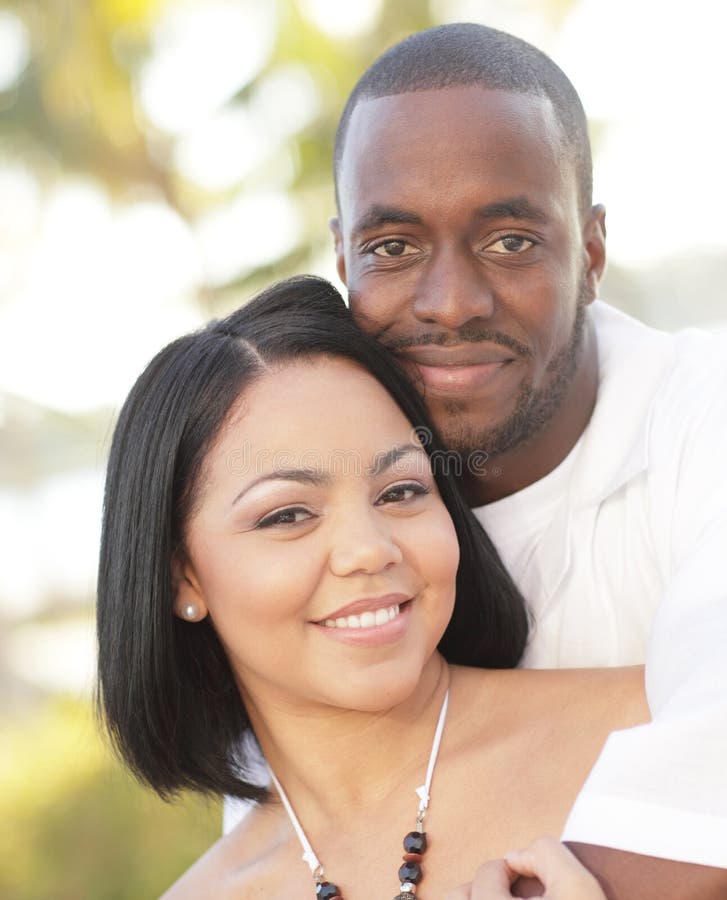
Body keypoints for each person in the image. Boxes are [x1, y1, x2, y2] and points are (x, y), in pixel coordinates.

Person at [323, 21, 727, 898]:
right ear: (342, 259)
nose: (452, 304)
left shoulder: (707, 423)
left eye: (509, 241)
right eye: (392, 248)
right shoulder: (318, 520)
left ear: (589, 252)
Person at [97, 276, 648, 899]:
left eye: (401, 491)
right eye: (287, 515)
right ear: (183, 575)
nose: (369, 549)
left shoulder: (647, 736)